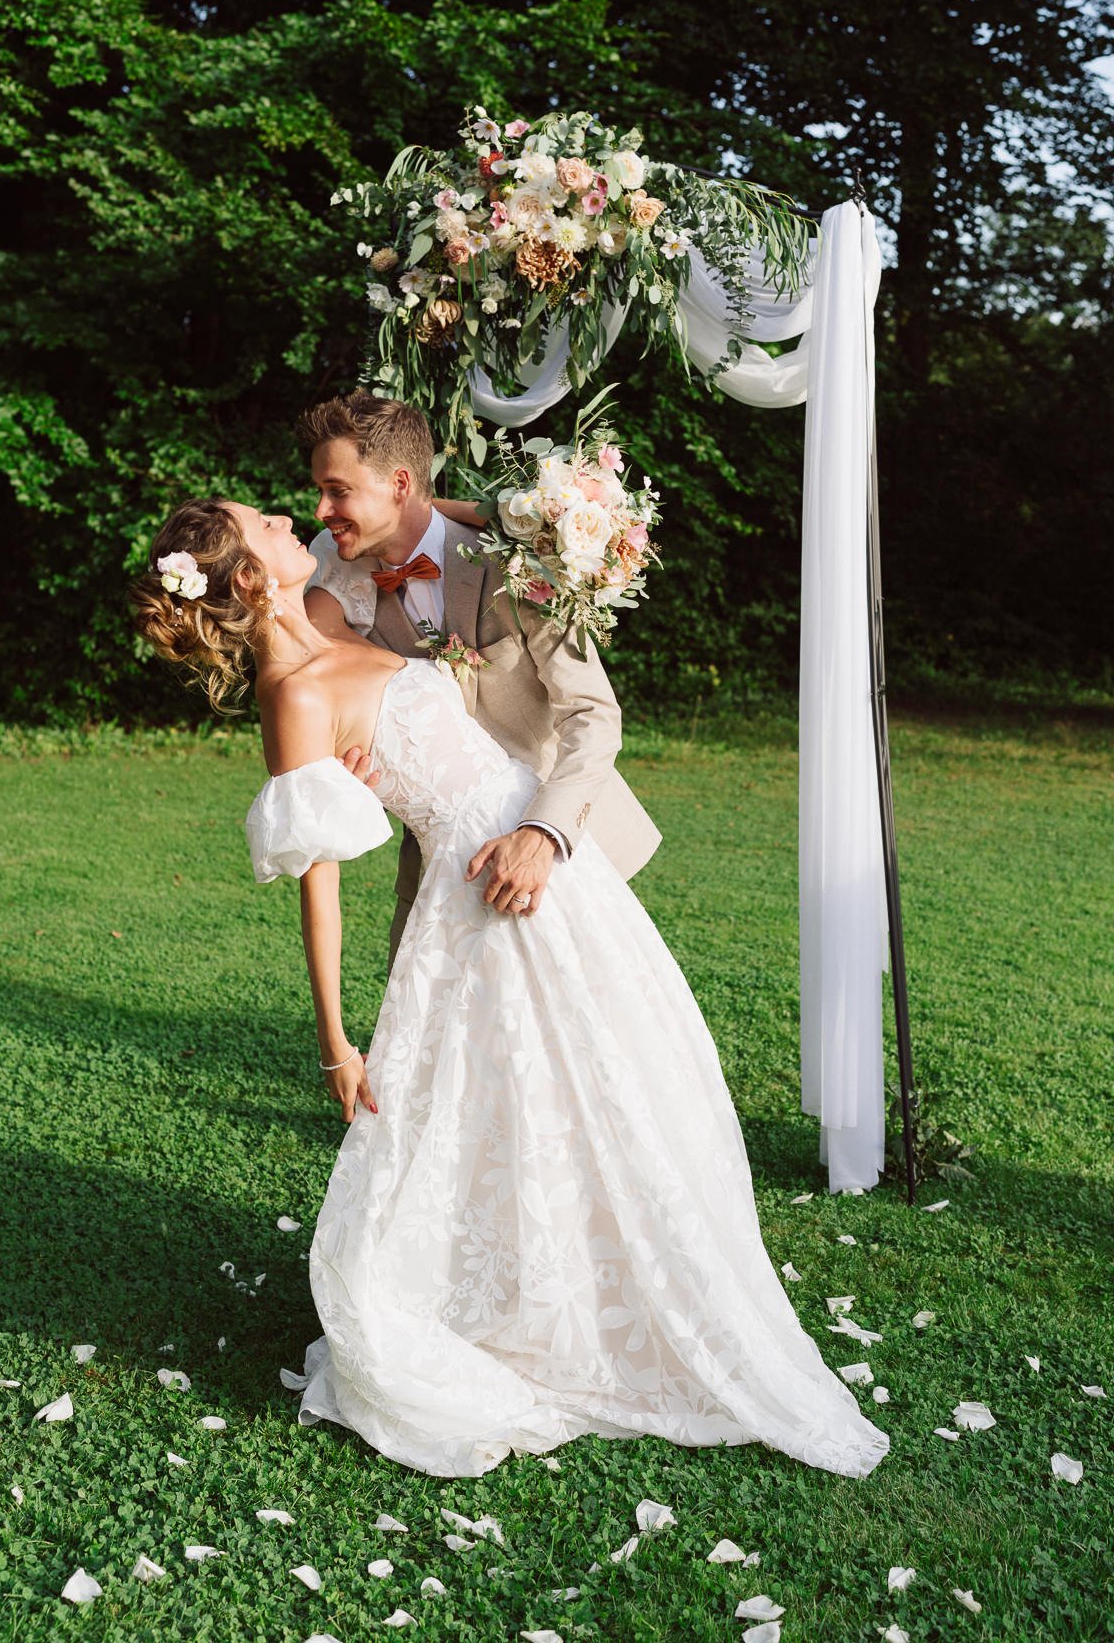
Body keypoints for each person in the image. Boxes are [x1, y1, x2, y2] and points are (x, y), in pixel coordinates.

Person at [131, 496, 889, 1482]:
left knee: (606, 1082)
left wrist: (501, 507)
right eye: (267, 523)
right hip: (474, 899)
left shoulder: (332, 614)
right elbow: (321, 889)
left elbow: (415, 639)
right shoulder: (296, 695)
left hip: (553, 870)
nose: (290, 518)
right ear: (247, 580)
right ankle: (532, 1309)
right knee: (519, 1099)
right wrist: (338, 1044)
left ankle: (599, 1279)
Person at [294, 389, 661, 963]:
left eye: (337, 491)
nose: (321, 510)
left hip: (563, 845)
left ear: (399, 483)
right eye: (320, 491)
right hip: (441, 857)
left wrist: (543, 835)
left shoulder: (516, 560)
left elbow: (592, 713)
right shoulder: (337, 570)